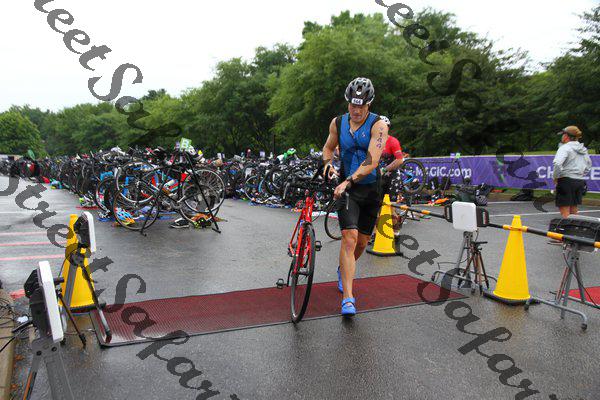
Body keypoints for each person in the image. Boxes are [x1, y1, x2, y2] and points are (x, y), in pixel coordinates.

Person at [322, 77, 388, 316]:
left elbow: (372, 161)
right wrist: (327, 165)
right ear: (347, 102)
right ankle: (348, 298)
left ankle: (343, 269)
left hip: (370, 189)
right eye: (352, 105)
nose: (356, 110)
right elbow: (328, 148)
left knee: (361, 243)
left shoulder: (379, 125)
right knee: (349, 239)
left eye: (361, 105)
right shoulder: (338, 123)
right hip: (347, 190)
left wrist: (349, 180)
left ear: (369, 104)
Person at [553, 125, 592, 218]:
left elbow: (557, 164)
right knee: (574, 209)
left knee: (564, 210)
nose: (562, 136)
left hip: (566, 180)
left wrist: (556, 177)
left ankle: (567, 227)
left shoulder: (564, 148)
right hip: (579, 181)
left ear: (566, 136)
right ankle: (574, 226)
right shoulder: (583, 149)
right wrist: (580, 174)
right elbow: (588, 165)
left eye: (563, 135)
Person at [378, 116, 405, 234]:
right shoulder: (373, 141)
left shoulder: (393, 141)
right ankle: (377, 233)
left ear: (388, 128)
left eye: (384, 127)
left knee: (390, 207)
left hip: (392, 178)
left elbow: (399, 160)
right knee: (377, 206)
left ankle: (396, 230)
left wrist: (384, 170)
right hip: (379, 178)